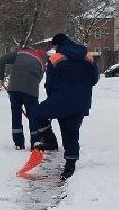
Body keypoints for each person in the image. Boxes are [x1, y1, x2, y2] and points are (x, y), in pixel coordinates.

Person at [29, 32, 99, 181]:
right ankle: (70, 165)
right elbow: (95, 79)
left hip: (60, 100)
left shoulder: (55, 58)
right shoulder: (88, 55)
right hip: (81, 101)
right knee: (71, 132)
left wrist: (54, 96)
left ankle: (49, 140)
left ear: (56, 45)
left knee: (36, 113)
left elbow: (50, 83)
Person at [3, 46, 46, 149]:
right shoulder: (41, 63)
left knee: (16, 115)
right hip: (31, 90)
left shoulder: (19, 54)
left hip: (14, 89)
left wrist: (0, 78)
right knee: (33, 116)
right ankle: (35, 142)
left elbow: (1, 60)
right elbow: (38, 80)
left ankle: (18, 143)